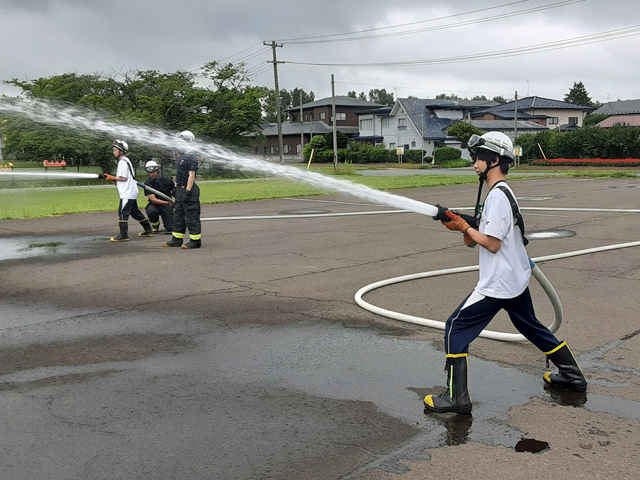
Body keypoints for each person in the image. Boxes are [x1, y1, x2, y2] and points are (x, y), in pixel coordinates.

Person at [423, 131, 587, 415]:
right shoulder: (501, 192)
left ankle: (457, 399)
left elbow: (493, 243)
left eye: (478, 158)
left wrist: (464, 227)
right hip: (515, 278)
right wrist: (462, 222)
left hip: (497, 284)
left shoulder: (497, 196)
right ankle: (573, 377)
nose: (474, 164)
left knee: (455, 328)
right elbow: (488, 233)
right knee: (530, 327)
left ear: (494, 159)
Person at [101, 139, 154, 242]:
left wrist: (113, 178)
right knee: (135, 212)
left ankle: (123, 235)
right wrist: (115, 180)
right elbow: (126, 178)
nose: (113, 152)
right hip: (131, 191)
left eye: (115, 150)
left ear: (121, 151)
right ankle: (148, 231)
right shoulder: (126, 160)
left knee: (122, 212)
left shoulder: (122, 162)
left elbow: (124, 177)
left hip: (127, 193)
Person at [163, 131, 202, 249]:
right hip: (181, 189)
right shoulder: (182, 157)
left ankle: (195, 240)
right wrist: (177, 186)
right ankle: (176, 239)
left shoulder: (191, 158)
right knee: (178, 215)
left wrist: (188, 191)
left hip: (188, 190)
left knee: (191, 215)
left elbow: (191, 176)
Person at [143, 160, 175, 234]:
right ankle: (155, 224)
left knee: (170, 228)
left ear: (157, 171)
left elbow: (175, 192)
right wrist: (168, 203)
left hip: (167, 206)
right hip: (155, 205)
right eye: (150, 173)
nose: (152, 174)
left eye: (153, 172)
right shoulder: (147, 184)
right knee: (151, 210)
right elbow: (153, 200)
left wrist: (178, 203)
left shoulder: (167, 181)